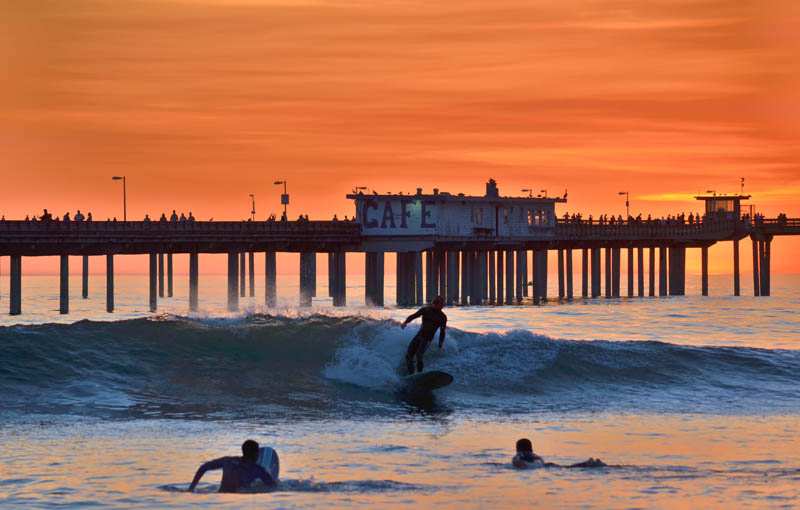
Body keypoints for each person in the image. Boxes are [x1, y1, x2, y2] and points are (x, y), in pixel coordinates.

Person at [188, 440, 275, 493]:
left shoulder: (227, 461)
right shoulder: (257, 470)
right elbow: (273, 486)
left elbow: (203, 467)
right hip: (241, 498)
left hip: (220, 494)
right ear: (256, 454)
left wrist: (191, 487)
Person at [401, 295, 447, 375]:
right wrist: (405, 322)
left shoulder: (442, 317)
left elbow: (442, 331)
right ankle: (411, 375)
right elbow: (413, 316)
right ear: (435, 303)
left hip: (427, 339)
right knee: (408, 356)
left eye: (443, 304)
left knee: (419, 355)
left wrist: (440, 343)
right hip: (419, 336)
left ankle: (419, 374)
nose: (442, 306)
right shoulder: (425, 310)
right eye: (441, 304)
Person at [512, 438, 606, 470]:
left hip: (530, 465)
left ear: (517, 448)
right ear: (531, 448)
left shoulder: (519, 454)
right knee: (566, 467)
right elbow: (540, 461)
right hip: (541, 463)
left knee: (566, 468)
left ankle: (587, 464)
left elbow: (517, 462)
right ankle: (587, 464)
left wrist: (522, 466)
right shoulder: (535, 455)